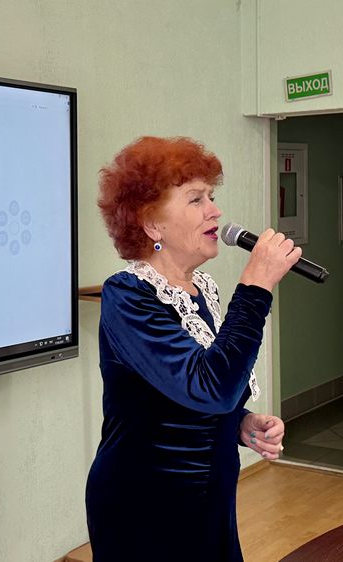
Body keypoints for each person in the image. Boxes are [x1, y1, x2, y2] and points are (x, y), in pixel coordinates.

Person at [86, 136, 300, 561]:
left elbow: (196, 389)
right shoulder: (128, 296)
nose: (215, 211)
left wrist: (239, 424)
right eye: (196, 199)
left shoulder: (201, 289)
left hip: (209, 495)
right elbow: (209, 387)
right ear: (152, 225)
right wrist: (256, 286)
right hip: (146, 503)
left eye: (211, 197)